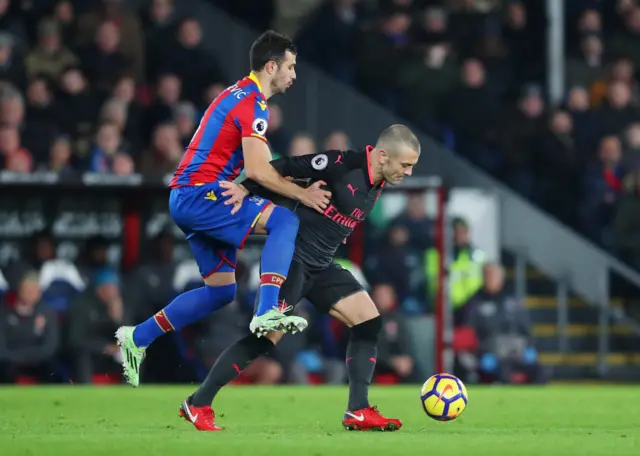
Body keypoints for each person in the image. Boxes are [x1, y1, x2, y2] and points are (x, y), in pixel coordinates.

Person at [115, 30, 331, 387]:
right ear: (271, 65)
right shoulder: (253, 103)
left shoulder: (239, 94)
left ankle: (137, 338)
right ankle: (266, 311)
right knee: (285, 221)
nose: (294, 75)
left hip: (190, 195)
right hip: (202, 193)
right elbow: (260, 169)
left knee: (221, 291)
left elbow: (254, 170)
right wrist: (303, 194)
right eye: (290, 67)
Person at [179, 124, 421, 432]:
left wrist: (336, 229)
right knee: (264, 339)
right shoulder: (341, 164)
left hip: (321, 266)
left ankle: (358, 410)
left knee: (368, 322)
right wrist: (243, 188)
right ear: (384, 156)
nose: (408, 173)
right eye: (405, 165)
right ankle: (199, 402)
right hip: (291, 262)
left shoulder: (379, 180)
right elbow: (284, 167)